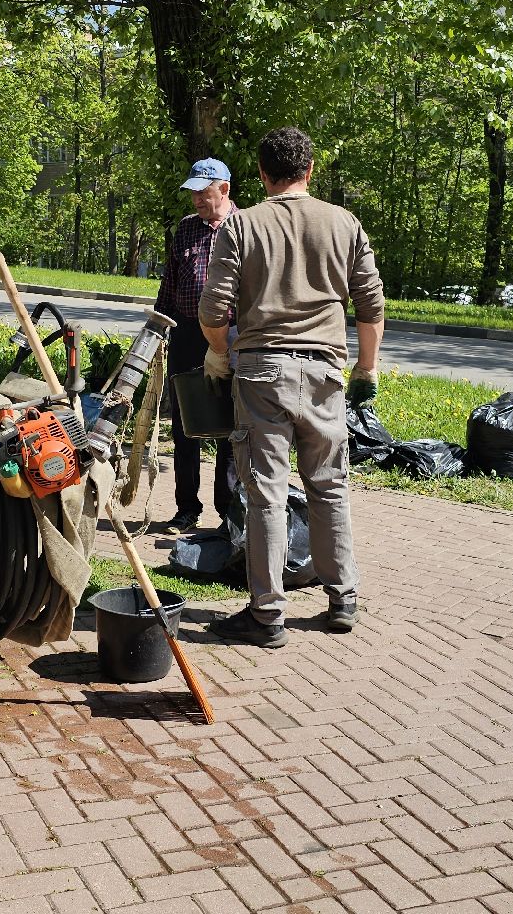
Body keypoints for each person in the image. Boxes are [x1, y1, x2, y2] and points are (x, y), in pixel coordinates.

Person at [197, 127, 385, 648]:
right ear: (310, 169)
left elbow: (214, 309)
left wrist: (218, 350)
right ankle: (343, 597)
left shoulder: (242, 226)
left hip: (262, 375)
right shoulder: (343, 223)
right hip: (326, 373)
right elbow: (371, 305)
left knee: (266, 494)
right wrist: (366, 371)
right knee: (329, 485)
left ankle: (267, 614)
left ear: (260, 173)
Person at [153, 158, 238, 534]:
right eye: (193, 194)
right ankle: (187, 508)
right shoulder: (186, 230)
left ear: (224, 189)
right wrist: (159, 324)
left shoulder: (246, 227)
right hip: (186, 332)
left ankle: (228, 508)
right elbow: (169, 282)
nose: (197, 201)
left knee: (231, 422)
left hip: (232, 333)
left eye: (203, 193)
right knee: (186, 424)